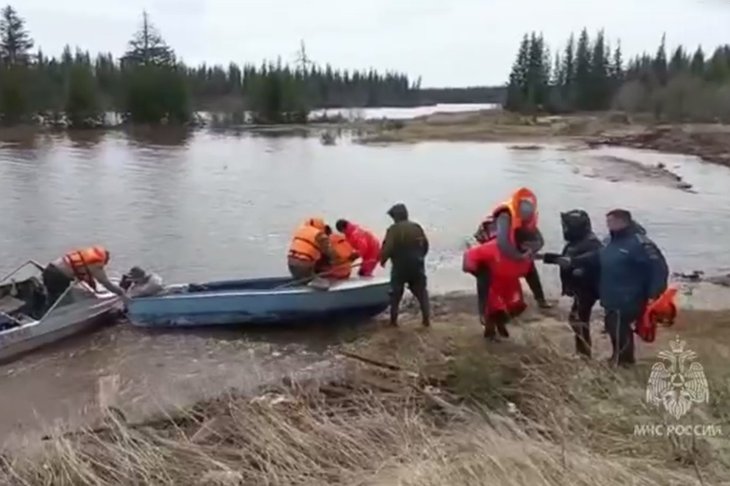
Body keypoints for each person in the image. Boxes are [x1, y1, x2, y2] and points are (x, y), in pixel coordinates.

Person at [558, 209, 669, 367]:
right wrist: (573, 261)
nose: (608, 225)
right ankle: (619, 358)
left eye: (611, 221)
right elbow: (596, 256)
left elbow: (659, 267)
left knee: (618, 325)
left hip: (631, 293)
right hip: (612, 293)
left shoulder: (640, 243)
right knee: (613, 325)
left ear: (622, 221)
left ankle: (624, 361)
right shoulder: (609, 240)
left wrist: (655, 294)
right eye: (607, 222)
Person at [542, 210, 603, 357]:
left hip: (587, 289)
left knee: (578, 320)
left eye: (567, 226)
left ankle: (584, 354)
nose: (565, 229)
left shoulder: (592, 243)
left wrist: (580, 271)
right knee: (577, 319)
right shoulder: (577, 242)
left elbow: (592, 262)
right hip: (579, 288)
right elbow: (566, 260)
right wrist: (544, 257)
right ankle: (582, 351)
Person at [462, 231, 534, 341]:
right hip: (492, 280)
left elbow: (532, 275)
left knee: (518, 306)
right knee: (494, 310)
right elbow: (469, 257)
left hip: (510, 279)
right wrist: (480, 274)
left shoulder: (527, 254)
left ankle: (500, 324)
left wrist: (541, 298)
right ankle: (490, 334)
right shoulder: (493, 247)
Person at [487, 188, 552, 309]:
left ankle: (541, 300)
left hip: (515, 240)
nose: (526, 220)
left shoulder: (527, 218)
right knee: (499, 271)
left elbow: (540, 240)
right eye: (524, 217)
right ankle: (499, 301)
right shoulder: (504, 216)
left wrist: (530, 250)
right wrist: (518, 256)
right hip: (495, 241)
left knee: (530, 269)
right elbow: (503, 243)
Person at [380, 203, 430, 327]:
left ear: (396, 216)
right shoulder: (417, 227)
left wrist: (382, 260)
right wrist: (420, 257)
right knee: (421, 293)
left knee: (395, 294)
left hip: (400, 266)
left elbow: (388, 248)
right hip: (417, 265)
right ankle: (426, 320)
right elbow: (425, 245)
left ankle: (393, 321)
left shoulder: (393, 230)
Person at [41, 246, 129, 306]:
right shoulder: (96, 266)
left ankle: (43, 307)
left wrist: (94, 289)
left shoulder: (84, 257)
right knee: (65, 301)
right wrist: (121, 292)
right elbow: (106, 283)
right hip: (58, 277)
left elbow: (86, 278)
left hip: (49, 269)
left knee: (52, 296)